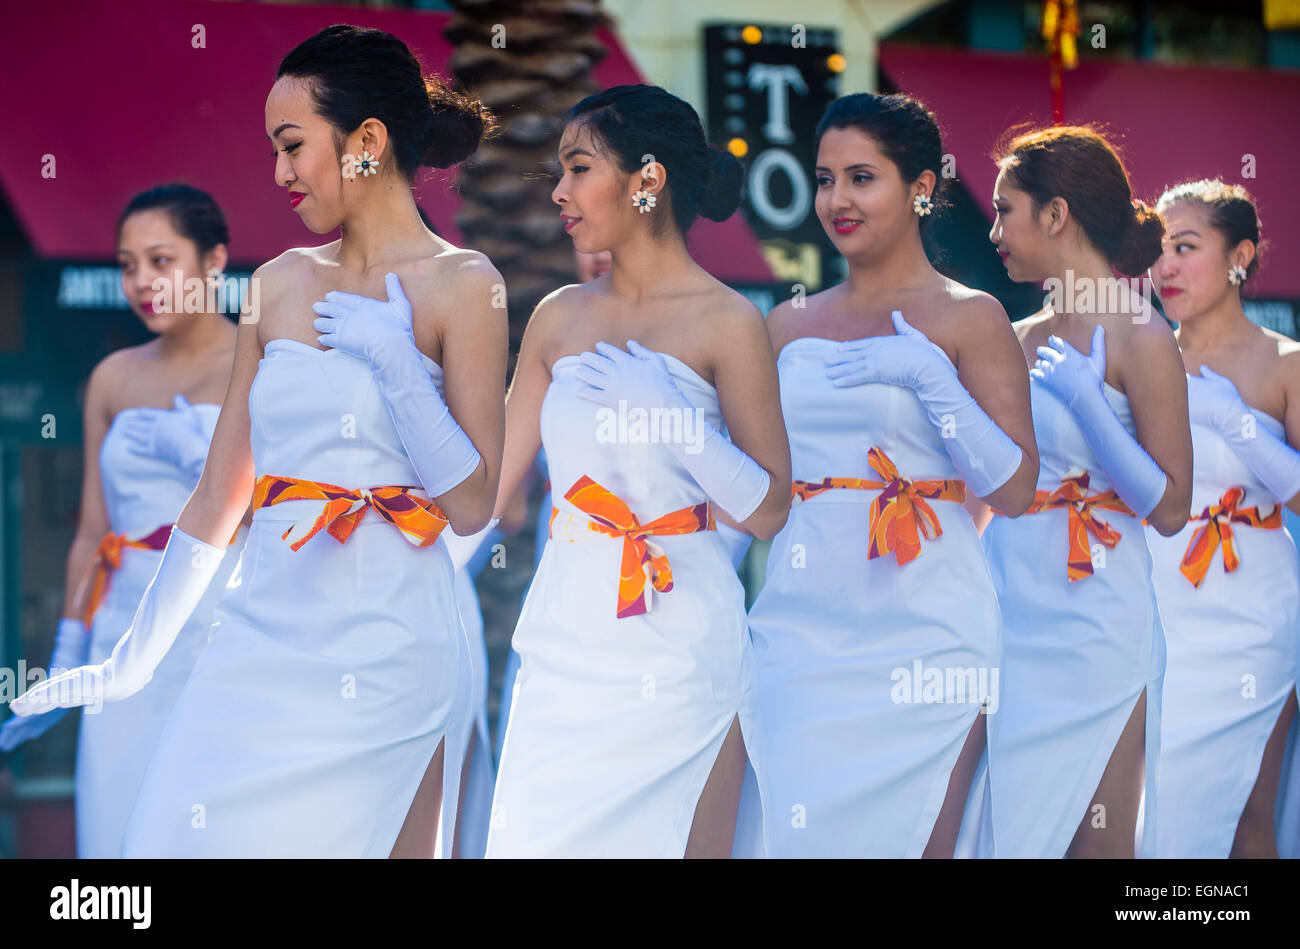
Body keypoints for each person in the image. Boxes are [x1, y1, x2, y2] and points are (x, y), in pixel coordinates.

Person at [8, 24, 506, 858]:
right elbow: (216, 495)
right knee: (169, 839)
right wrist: (131, 659)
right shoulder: (274, 285)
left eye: (292, 145)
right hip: (260, 628)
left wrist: (398, 367)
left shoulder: (466, 284)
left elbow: (471, 503)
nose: (277, 173)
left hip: (394, 644)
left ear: (367, 142)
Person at [485, 84, 791, 857]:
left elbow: (768, 512)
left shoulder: (730, 319)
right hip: (565, 646)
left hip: (686, 652)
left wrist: (678, 421)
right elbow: (492, 491)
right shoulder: (558, 314)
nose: (559, 190)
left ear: (646, 179)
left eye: (579, 167)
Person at [744, 92, 1037, 857]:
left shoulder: (972, 317)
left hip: (930, 631)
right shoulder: (786, 324)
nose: (837, 199)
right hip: (798, 630)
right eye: (824, 178)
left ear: (921, 187)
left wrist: (933, 382)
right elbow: (754, 491)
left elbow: (1011, 488)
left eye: (862, 177)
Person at [0, 184, 247, 857]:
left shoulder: (260, 364)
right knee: (118, 820)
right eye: (127, 264)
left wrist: (201, 456)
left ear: (214, 260)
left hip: (223, 618)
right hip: (118, 626)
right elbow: (91, 532)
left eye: (161, 260)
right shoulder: (112, 376)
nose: (141, 281)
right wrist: (69, 649)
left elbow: (280, 510)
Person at [980, 125, 1192, 857]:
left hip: (1099, 620)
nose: (993, 228)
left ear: (1056, 213)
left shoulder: (1142, 334)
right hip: (1006, 605)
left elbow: (1169, 509)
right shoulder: (1010, 334)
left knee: (1098, 847)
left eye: (1006, 209)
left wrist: (1091, 407)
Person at [1145, 179, 1300, 857]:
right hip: (1151, 600)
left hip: (1251, 612)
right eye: (1156, 249)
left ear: (1240, 255)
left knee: (1247, 812)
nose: (1165, 266)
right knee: (1150, 807)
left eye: (1185, 247)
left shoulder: (1285, 362)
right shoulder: (1136, 355)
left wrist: (1240, 425)